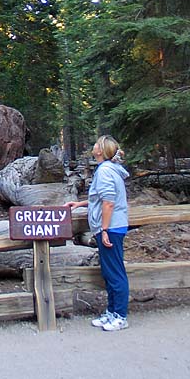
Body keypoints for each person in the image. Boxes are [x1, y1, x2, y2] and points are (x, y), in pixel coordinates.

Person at [66, 135, 130, 331]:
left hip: (111, 228)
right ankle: (112, 312)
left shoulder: (105, 171)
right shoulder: (108, 170)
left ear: (100, 151)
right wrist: (80, 203)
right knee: (109, 272)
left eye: (95, 144)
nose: (93, 147)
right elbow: (101, 198)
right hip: (111, 227)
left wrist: (104, 230)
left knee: (115, 272)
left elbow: (109, 202)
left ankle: (120, 315)